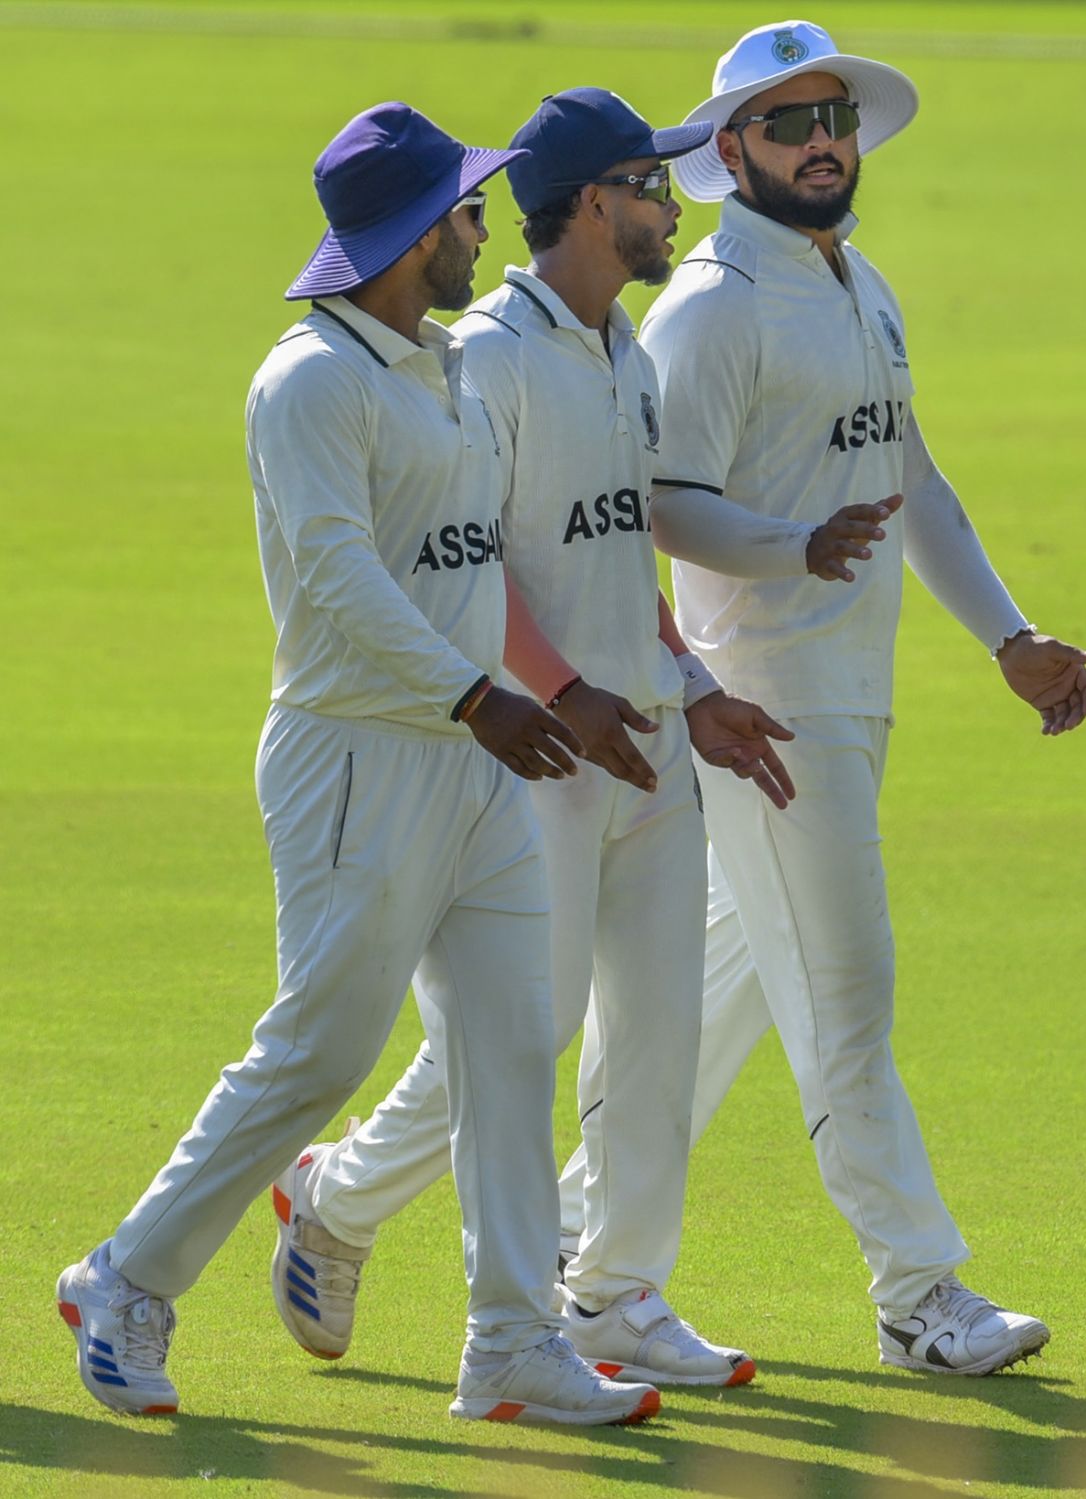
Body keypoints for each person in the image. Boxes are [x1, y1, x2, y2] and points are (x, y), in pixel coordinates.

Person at [56, 101, 662, 1427]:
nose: (483, 225)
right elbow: (335, 580)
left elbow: (472, 557)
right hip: (358, 762)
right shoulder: (310, 381)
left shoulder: (437, 360)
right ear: (406, 236)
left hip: (472, 762)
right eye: (462, 210)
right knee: (316, 1056)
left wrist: (526, 693)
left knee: (514, 1042)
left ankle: (509, 1343)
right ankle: (123, 1281)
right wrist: (474, 695)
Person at [561, 20, 1086, 1378]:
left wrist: (1008, 636)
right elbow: (660, 503)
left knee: (707, 1005)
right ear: (730, 146)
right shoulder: (714, 308)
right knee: (847, 995)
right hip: (764, 704)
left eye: (835, 120)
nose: (821, 144)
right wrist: (789, 549)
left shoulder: (856, 283)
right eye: (789, 124)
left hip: (852, 695)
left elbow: (909, 474)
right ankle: (922, 1295)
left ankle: (549, 1247)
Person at [266, 89, 795, 1389]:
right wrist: (562, 691)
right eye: (652, 185)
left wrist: (691, 684)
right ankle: (335, 1199)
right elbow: (465, 561)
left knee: (656, 1039)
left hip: (653, 741)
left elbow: (619, 565)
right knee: (519, 1034)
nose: (674, 206)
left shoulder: (628, 353)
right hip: (538, 758)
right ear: (593, 202)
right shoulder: (488, 356)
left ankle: (612, 1295)